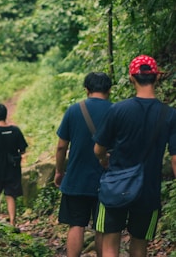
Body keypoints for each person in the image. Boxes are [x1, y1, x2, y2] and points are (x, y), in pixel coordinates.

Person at [94, 55, 176, 257]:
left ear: (132, 78)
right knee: (140, 245)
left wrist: (104, 160)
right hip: (148, 190)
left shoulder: (118, 110)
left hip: (115, 186)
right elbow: (175, 159)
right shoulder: (170, 114)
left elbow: (98, 149)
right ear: (157, 77)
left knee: (110, 242)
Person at [54, 72, 112, 257]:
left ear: (86, 90)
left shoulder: (73, 110)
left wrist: (59, 171)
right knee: (102, 227)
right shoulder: (116, 111)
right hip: (107, 180)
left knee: (76, 224)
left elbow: (62, 146)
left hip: (77, 179)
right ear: (109, 90)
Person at [0, 103, 28, 227]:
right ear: (6, 115)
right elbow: (23, 149)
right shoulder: (15, 130)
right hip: (13, 168)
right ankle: (13, 222)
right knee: (10, 195)